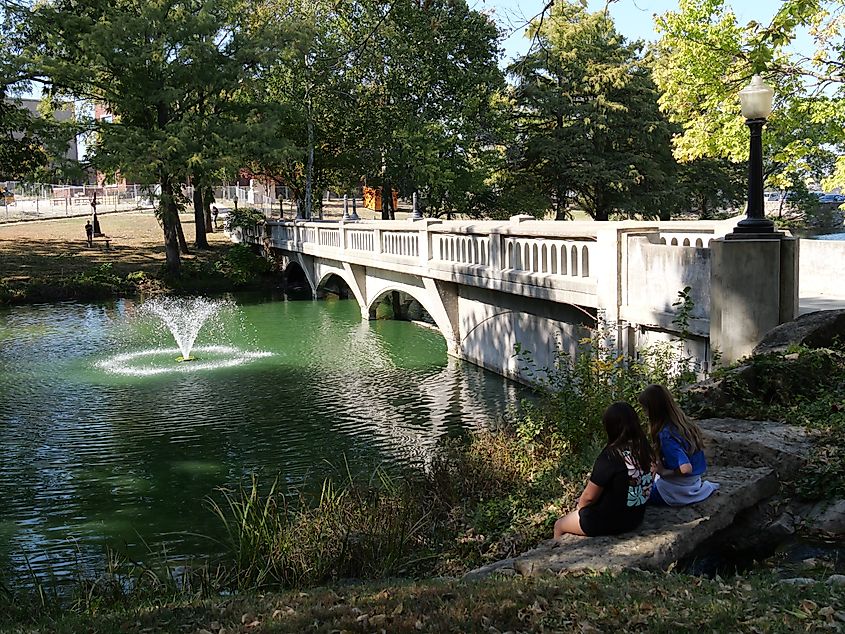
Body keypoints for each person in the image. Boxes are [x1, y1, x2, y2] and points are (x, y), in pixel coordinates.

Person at [553, 402, 655, 539]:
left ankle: (559, 554)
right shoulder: (645, 449)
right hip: (636, 517)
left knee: (559, 525)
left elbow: (589, 497)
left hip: (610, 522)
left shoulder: (611, 456)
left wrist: (580, 509)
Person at [638, 384, 719, 506]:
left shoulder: (666, 435)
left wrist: (664, 472)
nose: (645, 414)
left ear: (654, 410)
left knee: (634, 494)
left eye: (645, 409)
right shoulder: (684, 425)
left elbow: (686, 468)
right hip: (693, 483)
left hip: (676, 491)